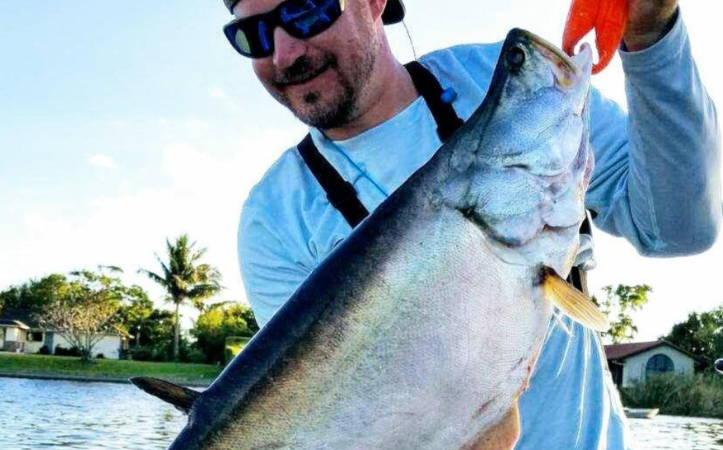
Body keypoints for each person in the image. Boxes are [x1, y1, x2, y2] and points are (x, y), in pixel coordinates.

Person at [228, 0, 721, 448]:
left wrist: (654, 37)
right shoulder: (272, 221)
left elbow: (680, 227)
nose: (284, 53)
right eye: (253, 35)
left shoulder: (509, 84)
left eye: (307, 11)